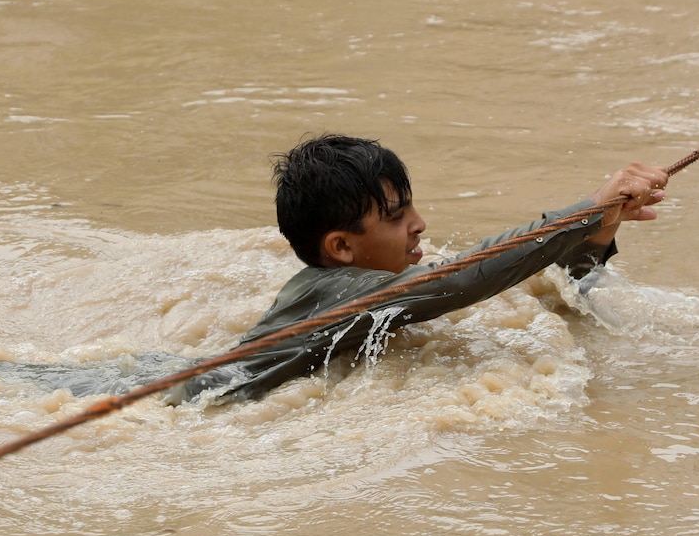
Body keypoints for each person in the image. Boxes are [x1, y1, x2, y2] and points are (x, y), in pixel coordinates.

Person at [166, 134, 667, 404]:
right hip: (191, 396)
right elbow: (465, 275)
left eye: (412, 209)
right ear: (341, 247)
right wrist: (584, 211)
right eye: (396, 216)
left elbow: (549, 290)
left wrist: (598, 231)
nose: (420, 225)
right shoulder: (346, 291)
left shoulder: (350, 284)